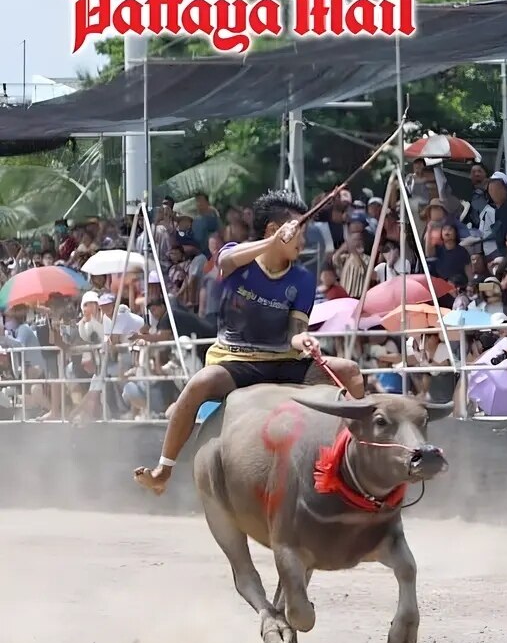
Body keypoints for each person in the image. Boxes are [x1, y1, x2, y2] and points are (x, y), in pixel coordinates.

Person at [132, 190, 366, 495]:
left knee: (349, 371)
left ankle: (357, 459)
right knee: (199, 384)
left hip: (284, 361)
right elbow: (226, 260)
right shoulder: (234, 255)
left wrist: (303, 338)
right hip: (235, 360)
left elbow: (295, 331)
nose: (302, 241)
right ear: (272, 231)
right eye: (298, 234)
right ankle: (163, 470)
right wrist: (273, 241)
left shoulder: (303, 279)